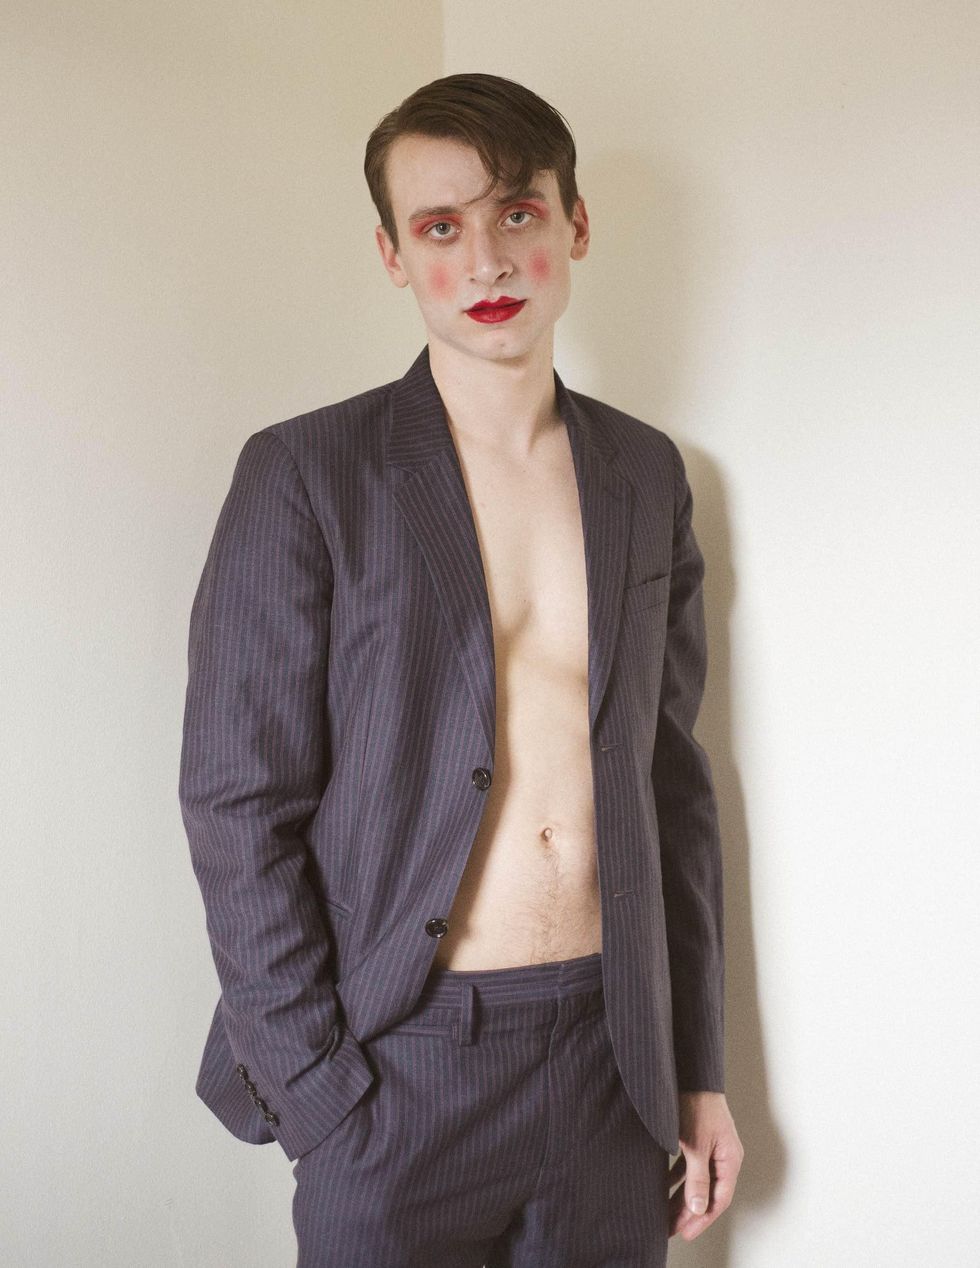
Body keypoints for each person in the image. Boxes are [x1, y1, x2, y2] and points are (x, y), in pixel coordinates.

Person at [179, 71, 743, 1267]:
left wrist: (696, 1071)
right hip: (400, 1061)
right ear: (393, 255)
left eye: (515, 212)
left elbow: (670, 786)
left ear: (572, 224)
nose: (484, 259)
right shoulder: (307, 473)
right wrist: (319, 1094)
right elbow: (237, 800)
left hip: (609, 1060)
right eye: (440, 227)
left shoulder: (645, 474)